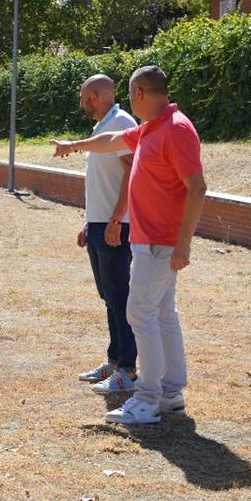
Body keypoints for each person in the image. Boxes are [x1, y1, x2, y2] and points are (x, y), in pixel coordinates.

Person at [52, 66, 207, 424]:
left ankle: (148, 397)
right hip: (149, 240)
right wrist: (74, 146)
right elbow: (112, 142)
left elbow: (197, 187)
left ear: (138, 93)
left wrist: (184, 243)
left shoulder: (176, 128)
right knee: (163, 315)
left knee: (139, 313)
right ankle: (170, 393)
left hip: (159, 242)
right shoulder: (152, 127)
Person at [71, 75, 139, 395]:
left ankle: (127, 368)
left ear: (95, 96)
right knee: (109, 296)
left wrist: (114, 219)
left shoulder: (122, 122)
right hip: (100, 224)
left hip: (116, 226)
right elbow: (103, 181)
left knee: (120, 297)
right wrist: (91, 223)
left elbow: (131, 170)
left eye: (84, 97)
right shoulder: (102, 126)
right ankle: (113, 361)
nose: (82, 103)